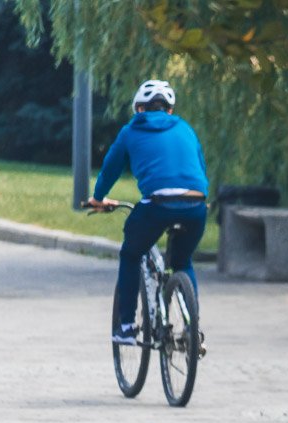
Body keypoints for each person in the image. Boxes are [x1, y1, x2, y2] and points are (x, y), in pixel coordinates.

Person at [87, 79, 208, 344]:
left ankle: (127, 327)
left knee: (131, 253)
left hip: (158, 205)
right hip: (196, 204)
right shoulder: (186, 129)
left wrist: (98, 198)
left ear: (139, 109)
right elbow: (199, 167)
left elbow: (111, 168)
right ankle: (192, 328)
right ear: (169, 110)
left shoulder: (131, 130)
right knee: (183, 261)